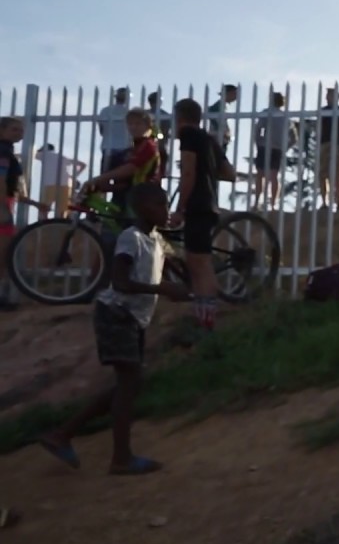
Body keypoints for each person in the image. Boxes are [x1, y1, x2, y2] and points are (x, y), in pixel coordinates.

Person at [38, 183, 190, 475]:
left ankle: (62, 435)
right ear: (143, 208)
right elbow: (120, 282)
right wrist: (163, 288)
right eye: (160, 205)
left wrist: (186, 286)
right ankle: (120, 458)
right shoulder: (130, 239)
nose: (165, 210)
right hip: (115, 314)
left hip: (132, 318)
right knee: (130, 382)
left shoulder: (155, 239)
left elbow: (169, 265)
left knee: (128, 384)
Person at [174, 98, 235, 331]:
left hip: (197, 204)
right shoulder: (209, 139)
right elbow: (229, 174)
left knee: (200, 263)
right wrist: (207, 172)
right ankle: (203, 314)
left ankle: (208, 318)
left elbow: (188, 173)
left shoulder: (188, 136)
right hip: (208, 201)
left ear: (180, 117)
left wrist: (180, 208)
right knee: (195, 259)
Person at [1, 117, 50, 310]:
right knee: (2, 254)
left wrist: (35, 203)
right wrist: (2, 206)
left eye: (20, 130)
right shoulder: (3, 151)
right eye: (14, 130)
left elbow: (13, 188)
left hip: (6, 202)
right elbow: (1, 179)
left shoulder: (7, 151)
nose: (19, 133)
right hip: (3, 206)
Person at [87, 109, 165, 220]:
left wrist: (98, 179)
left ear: (148, 126)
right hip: (129, 193)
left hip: (141, 197)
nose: (133, 127)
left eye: (138, 123)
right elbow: (129, 180)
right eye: (130, 124)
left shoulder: (148, 146)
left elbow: (131, 169)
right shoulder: (133, 149)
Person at [252, 92, 296, 211]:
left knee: (260, 175)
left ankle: (256, 203)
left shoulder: (266, 113)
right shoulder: (285, 116)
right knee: (274, 176)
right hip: (277, 148)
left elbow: (258, 130)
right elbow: (294, 137)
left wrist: (258, 142)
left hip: (264, 146)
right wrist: (285, 147)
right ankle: (272, 204)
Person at [317, 87, 339, 211]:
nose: (327, 97)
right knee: (323, 174)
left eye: (329, 95)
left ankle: (338, 203)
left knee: (337, 175)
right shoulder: (329, 111)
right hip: (327, 143)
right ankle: (325, 202)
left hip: (335, 144)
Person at [35, 145, 87, 218]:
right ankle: (60, 226)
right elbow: (82, 165)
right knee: (62, 211)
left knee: (44, 208)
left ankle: (43, 227)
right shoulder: (62, 157)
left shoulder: (44, 154)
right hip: (66, 184)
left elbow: (29, 155)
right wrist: (73, 176)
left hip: (50, 184)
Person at [97, 87, 132, 174]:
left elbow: (101, 131)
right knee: (122, 177)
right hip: (125, 148)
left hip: (107, 146)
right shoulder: (129, 112)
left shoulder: (105, 111)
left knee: (105, 176)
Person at [206, 84, 238, 152]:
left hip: (221, 138)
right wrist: (220, 130)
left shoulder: (223, 106)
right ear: (229, 93)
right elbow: (211, 112)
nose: (236, 96)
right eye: (235, 94)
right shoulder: (218, 106)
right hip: (217, 138)